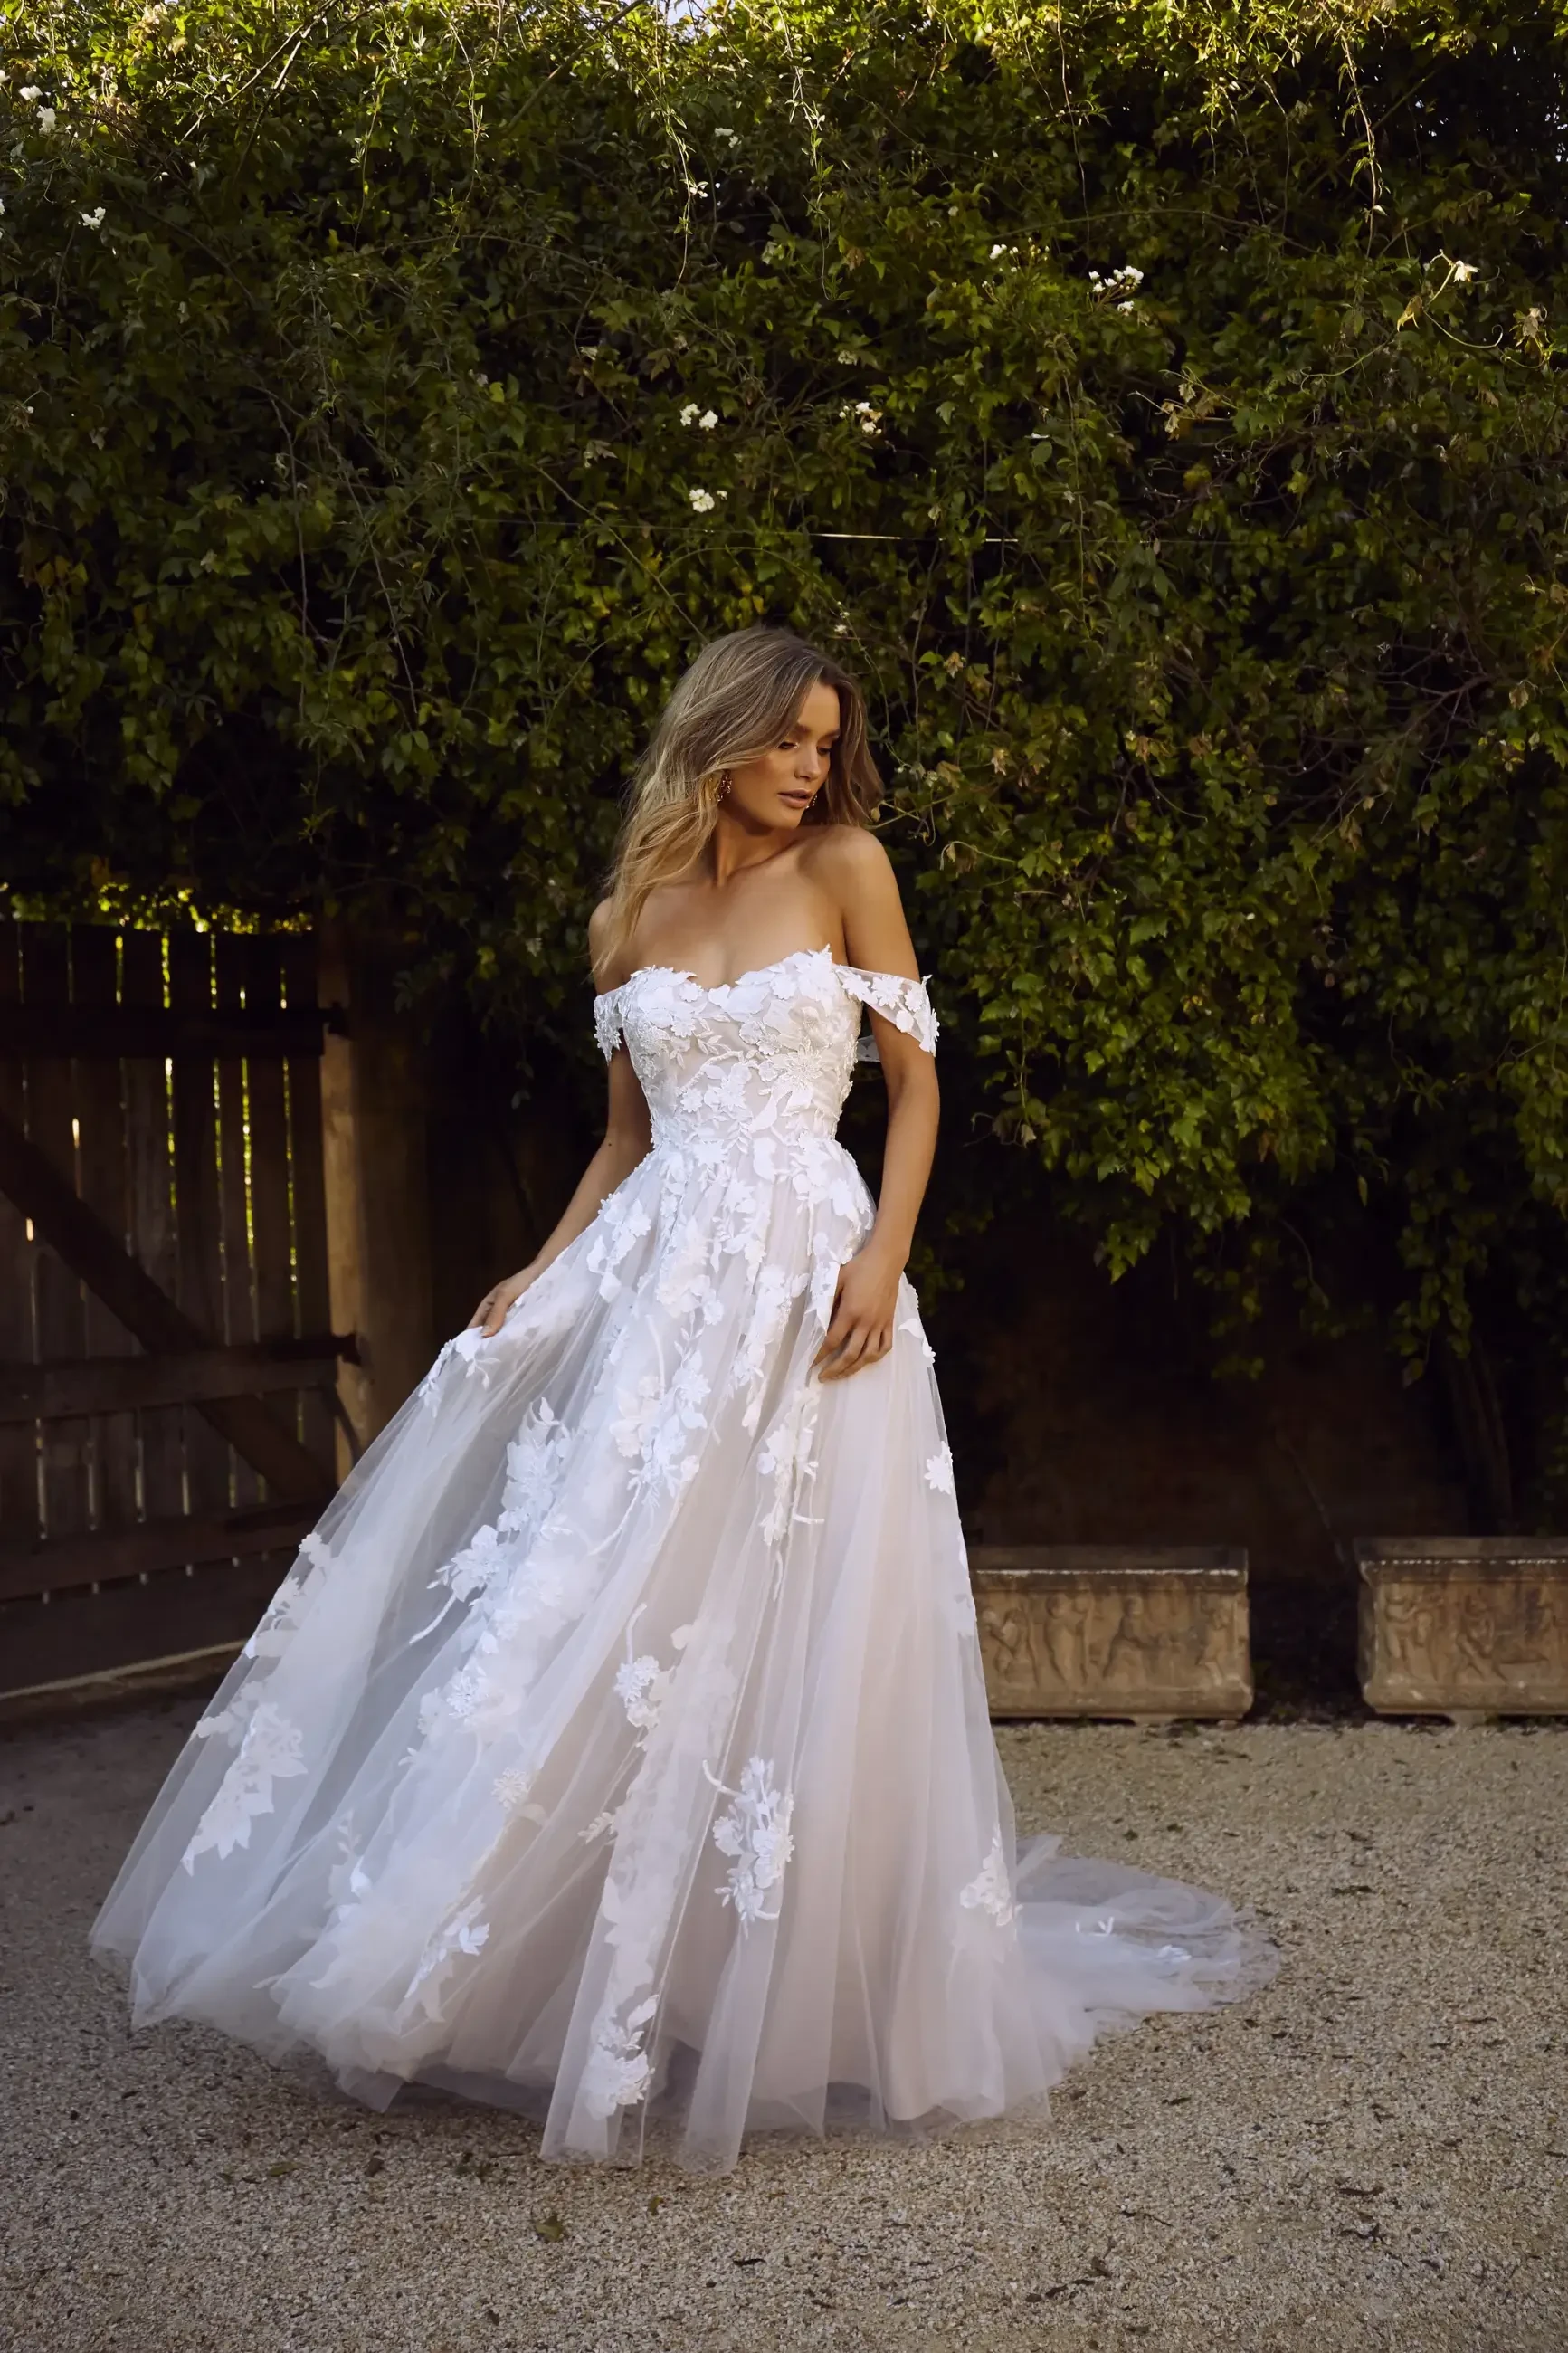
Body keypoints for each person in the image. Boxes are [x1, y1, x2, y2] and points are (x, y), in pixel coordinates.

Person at [91, 626, 1277, 2172]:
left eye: (824, 741)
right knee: (607, 1611)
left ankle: (816, 1999)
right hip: (659, 1289)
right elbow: (623, 1142)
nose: (808, 764)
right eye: (786, 737)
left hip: (809, 1279)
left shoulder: (851, 866)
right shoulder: (627, 914)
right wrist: (542, 1264)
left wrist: (885, 1258)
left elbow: (918, 1087)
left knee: (796, 1621)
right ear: (720, 734)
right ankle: (527, 1959)